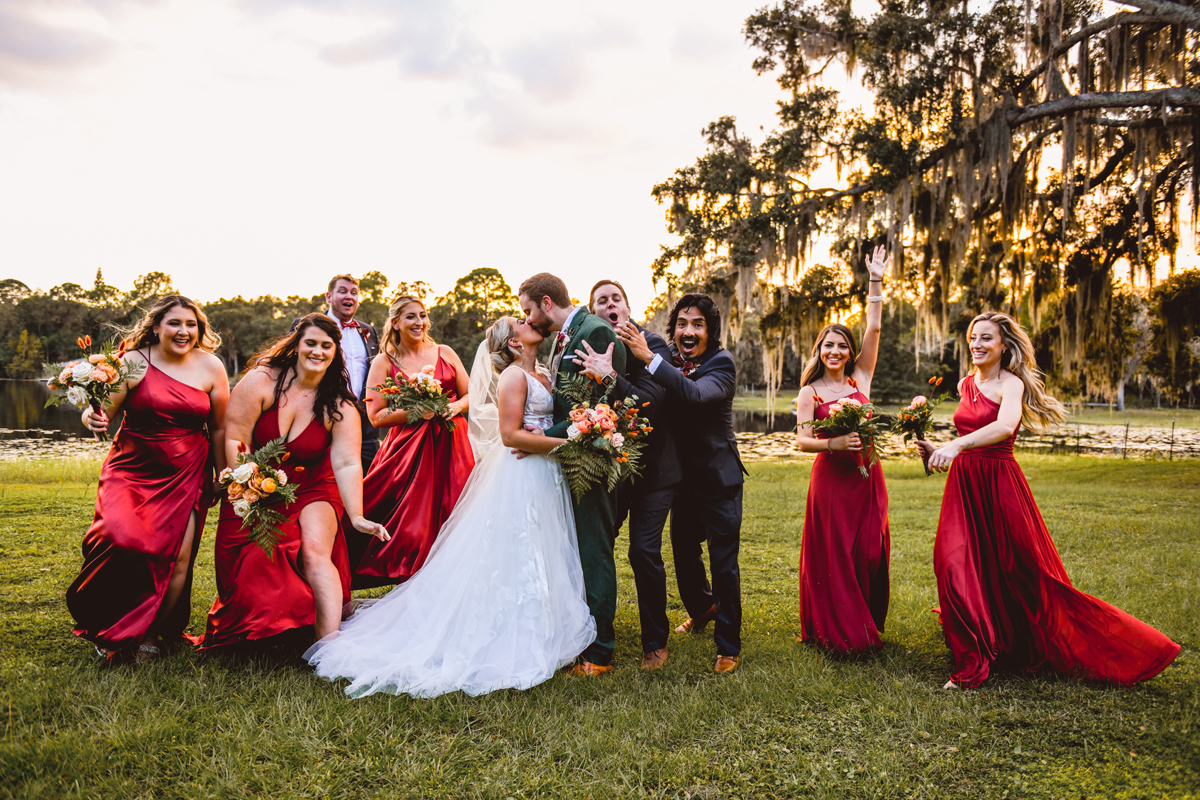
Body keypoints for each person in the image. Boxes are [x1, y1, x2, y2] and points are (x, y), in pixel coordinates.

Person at [305, 316, 595, 697]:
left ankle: (540, 619)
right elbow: (510, 436)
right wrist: (572, 445)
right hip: (524, 469)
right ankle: (509, 629)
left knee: (541, 547)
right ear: (512, 343)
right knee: (517, 546)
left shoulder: (542, 371)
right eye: (520, 322)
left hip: (544, 471)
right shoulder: (511, 376)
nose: (529, 322)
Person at [918, 312, 1181, 689]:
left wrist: (956, 444)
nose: (976, 344)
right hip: (964, 485)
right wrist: (938, 449)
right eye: (973, 337)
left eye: (986, 338)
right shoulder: (965, 383)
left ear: (1004, 345)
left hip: (1000, 483)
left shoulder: (1011, 385)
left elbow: (1005, 427)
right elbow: (969, 429)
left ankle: (1027, 641)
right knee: (953, 561)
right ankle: (975, 653)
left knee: (1020, 569)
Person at [199, 314, 388, 649]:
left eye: (326, 346)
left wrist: (356, 515)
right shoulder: (263, 381)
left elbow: (346, 463)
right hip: (256, 480)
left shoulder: (340, 403)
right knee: (255, 558)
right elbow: (236, 439)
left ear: (335, 353)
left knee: (315, 551)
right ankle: (272, 625)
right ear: (297, 345)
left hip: (314, 482)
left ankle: (328, 645)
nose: (317, 351)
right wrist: (248, 485)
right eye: (310, 343)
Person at [67, 296, 229, 663]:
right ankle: (110, 622)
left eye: (191, 324)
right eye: (174, 323)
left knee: (177, 557)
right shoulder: (132, 362)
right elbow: (102, 414)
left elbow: (219, 427)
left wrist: (224, 473)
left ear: (199, 329)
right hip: (132, 466)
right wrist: (89, 419)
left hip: (188, 470)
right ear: (157, 327)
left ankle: (151, 632)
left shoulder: (212, 367)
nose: (183, 331)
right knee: (120, 539)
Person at [618, 294, 747, 673]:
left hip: (718, 479)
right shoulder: (668, 360)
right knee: (685, 555)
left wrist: (649, 357)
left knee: (724, 564)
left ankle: (728, 646)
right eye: (682, 324)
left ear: (710, 332)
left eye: (698, 325)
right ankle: (703, 609)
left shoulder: (721, 364)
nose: (688, 332)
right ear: (673, 329)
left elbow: (693, 394)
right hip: (679, 479)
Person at [518, 272, 625, 676]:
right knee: (577, 550)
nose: (526, 319)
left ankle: (600, 652)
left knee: (595, 552)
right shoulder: (569, 333)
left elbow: (594, 409)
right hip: (570, 457)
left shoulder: (594, 332)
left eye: (528, 309)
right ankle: (580, 638)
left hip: (592, 459)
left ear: (547, 303)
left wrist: (542, 436)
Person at [574, 279, 680, 671]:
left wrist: (609, 376)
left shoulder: (653, 345)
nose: (610, 304)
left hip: (655, 470)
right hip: (609, 467)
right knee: (594, 545)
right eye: (601, 301)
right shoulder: (589, 347)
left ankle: (655, 640)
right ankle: (587, 632)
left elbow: (650, 402)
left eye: (616, 298)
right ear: (593, 312)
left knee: (643, 551)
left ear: (628, 308)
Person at [793, 245, 892, 654]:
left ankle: (864, 615)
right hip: (832, 480)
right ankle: (840, 630)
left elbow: (874, 330)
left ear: (850, 352)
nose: (835, 352)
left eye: (841, 346)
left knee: (869, 551)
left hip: (868, 478)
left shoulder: (860, 381)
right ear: (819, 351)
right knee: (834, 553)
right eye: (827, 346)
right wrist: (832, 443)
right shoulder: (809, 392)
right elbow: (801, 441)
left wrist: (875, 280)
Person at [349, 294, 474, 589]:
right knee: (414, 526)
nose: (419, 322)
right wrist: (418, 410)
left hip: (453, 446)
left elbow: (471, 394)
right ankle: (412, 582)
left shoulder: (445, 352)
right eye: (410, 317)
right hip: (408, 454)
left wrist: (454, 407)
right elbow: (376, 415)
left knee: (457, 514)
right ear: (395, 323)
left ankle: (456, 585)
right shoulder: (383, 362)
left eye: (422, 315)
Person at [301, 274, 381, 475]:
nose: (350, 297)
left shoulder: (368, 330)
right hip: (321, 417)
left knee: (370, 479)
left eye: (354, 293)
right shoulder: (308, 327)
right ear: (328, 297)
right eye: (343, 291)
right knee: (324, 478)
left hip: (365, 423)